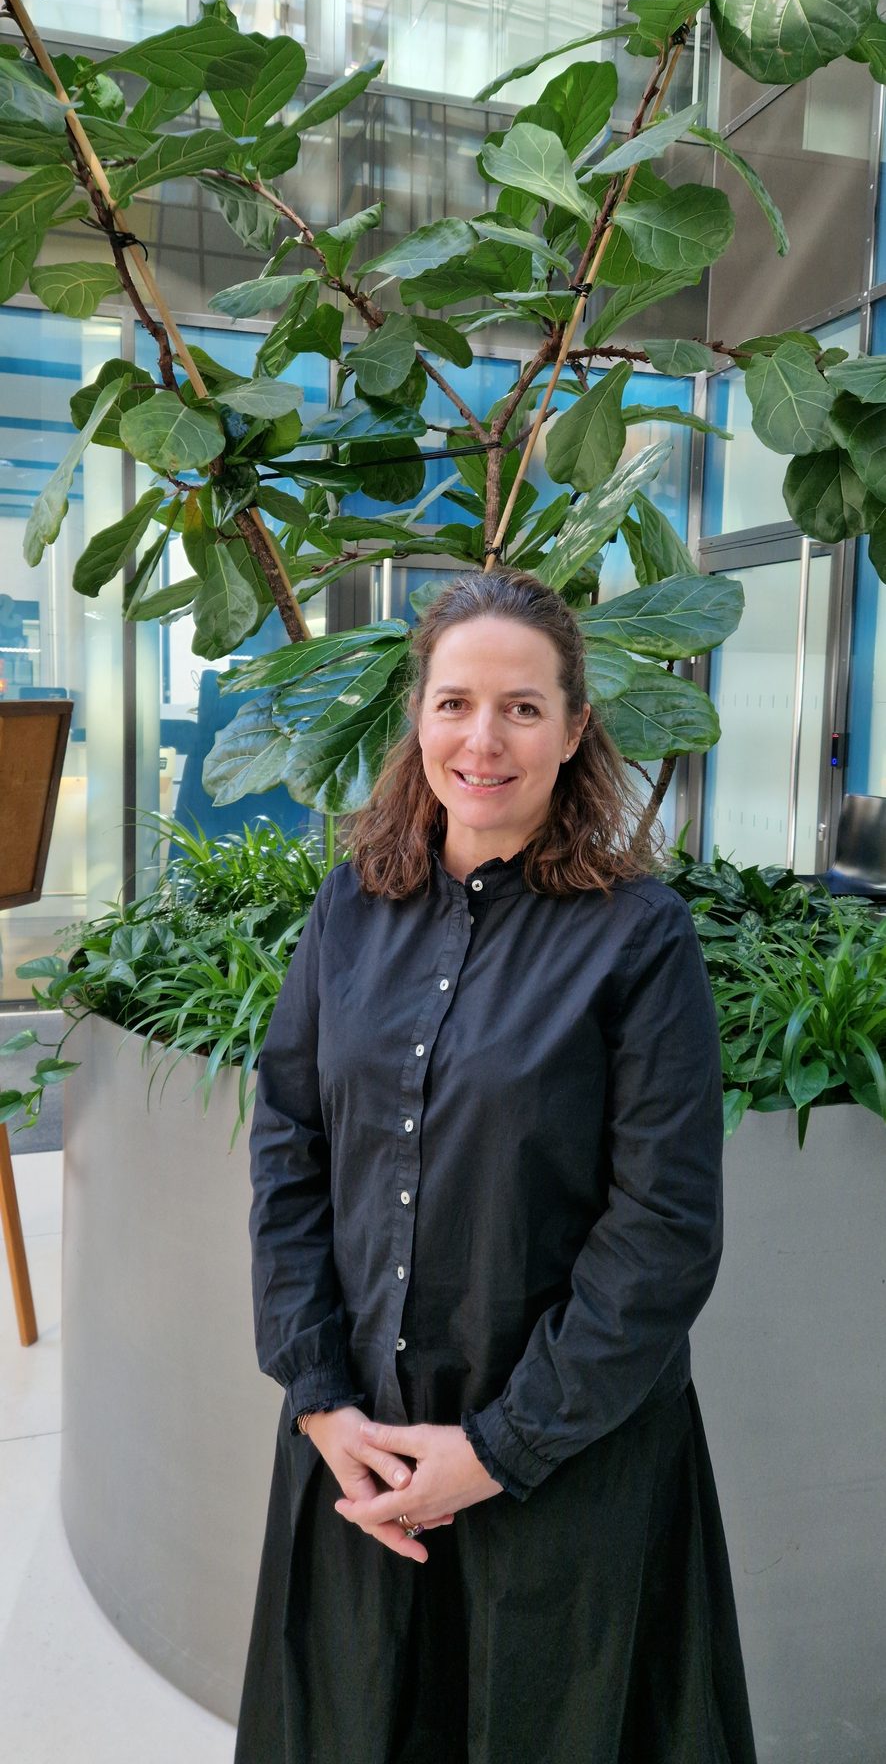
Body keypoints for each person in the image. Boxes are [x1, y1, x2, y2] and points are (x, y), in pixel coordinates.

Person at [234, 567, 757, 1764]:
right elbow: (288, 1148)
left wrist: (496, 1451)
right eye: (456, 703)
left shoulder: (640, 937)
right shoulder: (349, 908)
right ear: (417, 718)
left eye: (523, 708)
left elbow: (663, 1233)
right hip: (362, 1447)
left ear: (574, 730)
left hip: (563, 1463)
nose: (484, 740)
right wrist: (319, 1398)